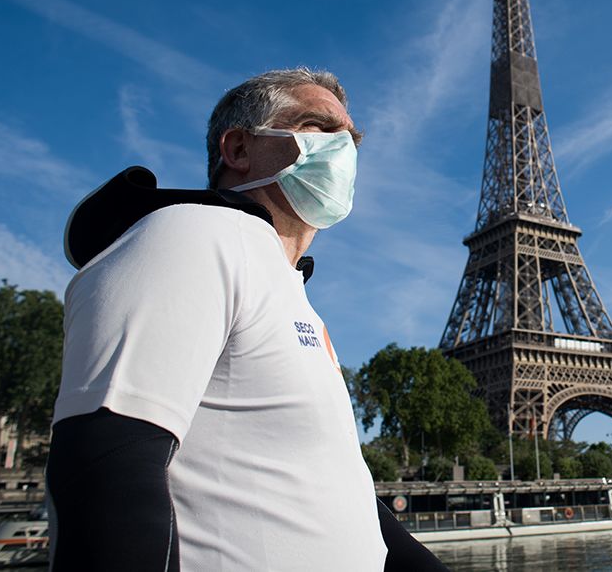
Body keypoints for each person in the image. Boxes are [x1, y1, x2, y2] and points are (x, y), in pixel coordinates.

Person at [47, 69, 448, 571]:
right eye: (319, 127)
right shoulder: (194, 233)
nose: (342, 149)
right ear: (237, 149)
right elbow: (107, 464)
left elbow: (337, 492)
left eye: (351, 139)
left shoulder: (292, 294)